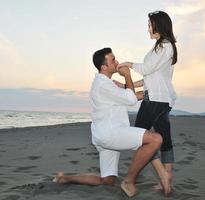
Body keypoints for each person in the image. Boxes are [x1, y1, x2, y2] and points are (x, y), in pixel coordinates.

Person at [53, 48, 171, 197]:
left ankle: (65, 178)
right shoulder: (103, 85)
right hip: (111, 133)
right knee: (155, 139)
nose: (116, 62)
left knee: (107, 180)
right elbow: (130, 99)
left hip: (103, 136)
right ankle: (129, 181)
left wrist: (157, 94)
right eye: (113, 60)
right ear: (103, 67)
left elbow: (132, 96)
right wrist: (127, 75)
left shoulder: (105, 84)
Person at [117, 10, 178, 191]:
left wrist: (129, 64)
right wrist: (125, 86)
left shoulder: (165, 46)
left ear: (158, 25)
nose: (148, 28)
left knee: (139, 138)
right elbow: (150, 77)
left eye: (150, 24)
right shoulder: (162, 47)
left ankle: (163, 174)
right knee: (164, 140)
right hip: (161, 99)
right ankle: (167, 180)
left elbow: (147, 68)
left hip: (155, 101)